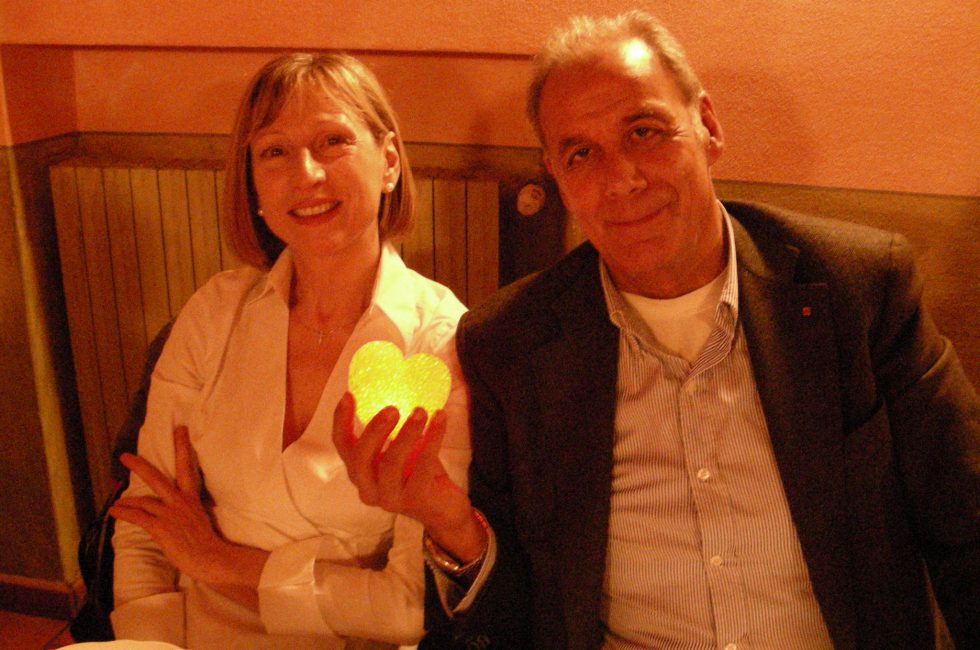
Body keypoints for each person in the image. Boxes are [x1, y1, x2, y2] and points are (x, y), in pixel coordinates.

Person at [333, 11, 980, 650]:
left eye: (644, 132)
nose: (621, 180)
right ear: (557, 177)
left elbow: (967, 526)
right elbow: (517, 621)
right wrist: (451, 525)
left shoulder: (856, 291)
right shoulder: (510, 344)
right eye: (581, 154)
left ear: (708, 127)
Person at [108, 52, 470, 649]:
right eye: (274, 151)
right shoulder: (214, 312)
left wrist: (217, 561)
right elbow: (146, 523)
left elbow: (408, 607)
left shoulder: (440, 341)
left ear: (388, 162)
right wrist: (147, 642)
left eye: (333, 141)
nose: (306, 174)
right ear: (253, 184)